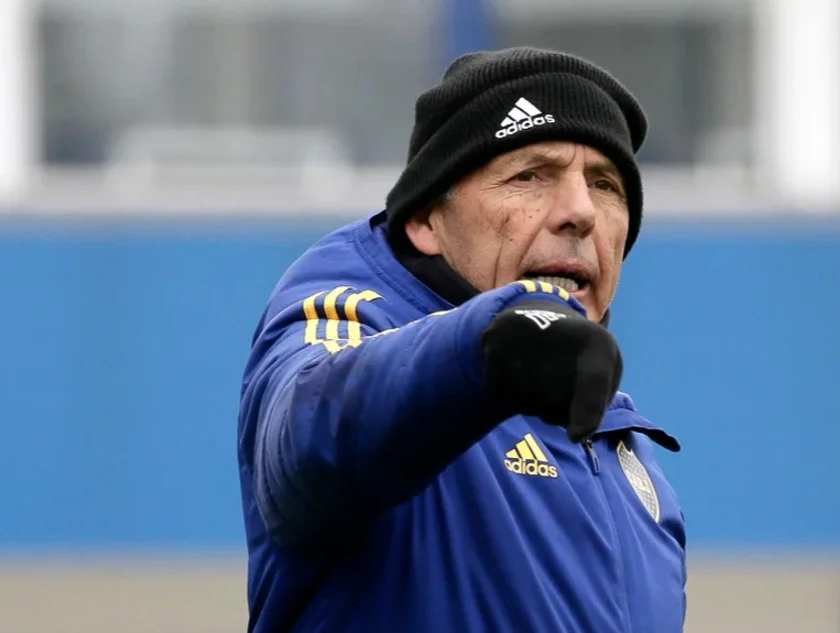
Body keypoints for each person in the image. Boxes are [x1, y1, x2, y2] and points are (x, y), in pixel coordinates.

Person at [237, 46, 686, 633]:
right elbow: (308, 444)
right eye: (530, 176)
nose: (580, 211)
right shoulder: (350, 326)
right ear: (426, 220)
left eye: (606, 185)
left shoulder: (630, 463)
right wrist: (488, 347)